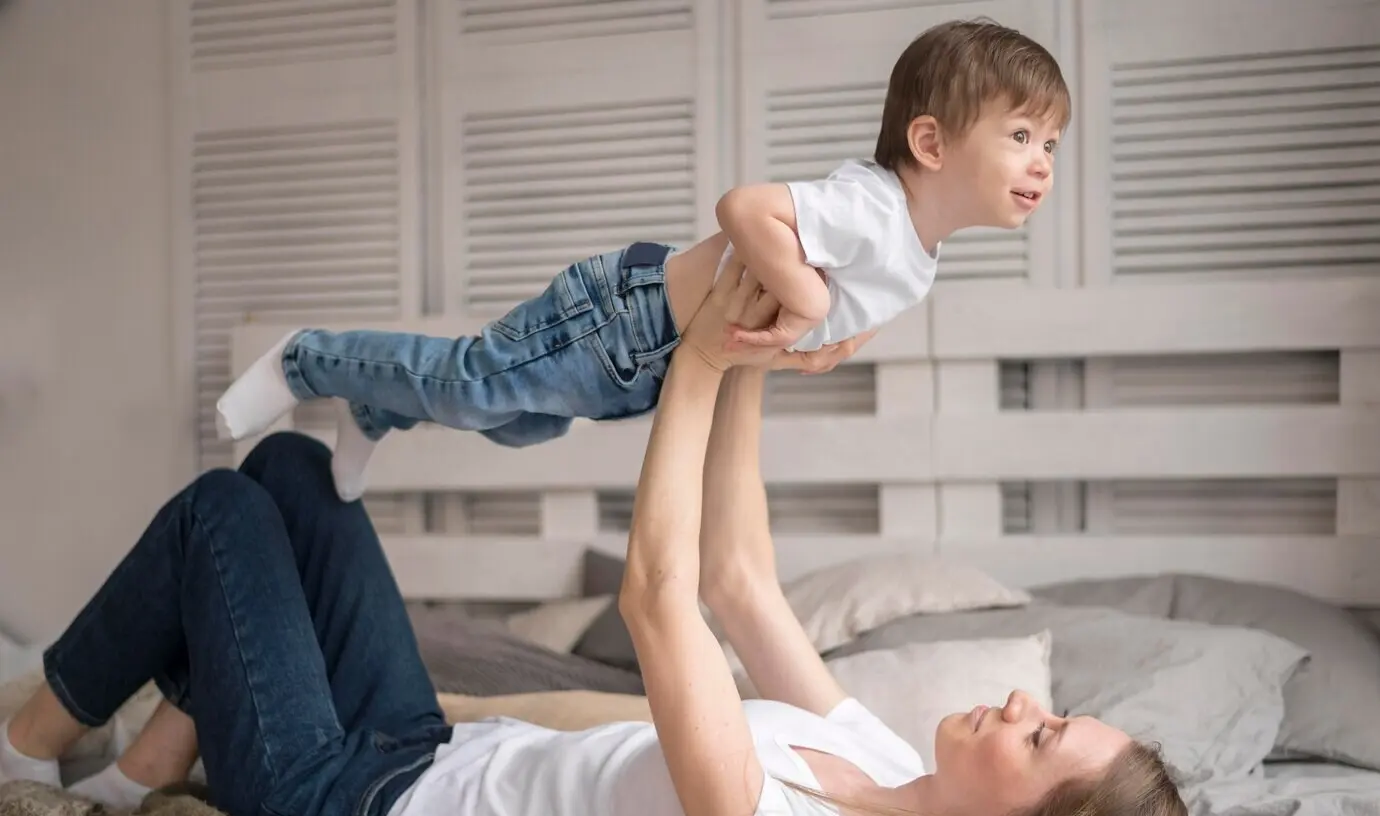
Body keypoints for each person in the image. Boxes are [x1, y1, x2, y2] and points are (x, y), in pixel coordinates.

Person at [0, 262, 1216, 816]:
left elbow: (659, 597)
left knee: (221, 512)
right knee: (292, 470)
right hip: (419, 745)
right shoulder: (883, 759)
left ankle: (28, 746)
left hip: (340, 806)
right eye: (1050, 711)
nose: (1023, 707)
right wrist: (759, 353)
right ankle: (155, 762)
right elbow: (737, 578)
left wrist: (696, 362)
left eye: (1043, 738)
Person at [213, 18, 1070, 503]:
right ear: (931, 143)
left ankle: (376, 410)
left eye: (1052, 144)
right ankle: (305, 358)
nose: (1043, 162)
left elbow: (852, 306)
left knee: (515, 423)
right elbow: (744, 208)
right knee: (474, 383)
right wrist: (808, 304)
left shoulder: (920, 257)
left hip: (652, 369)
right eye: (1023, 135)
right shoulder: (872, 206)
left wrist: (830, 343)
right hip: (623, 317)